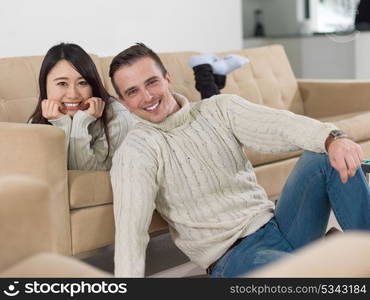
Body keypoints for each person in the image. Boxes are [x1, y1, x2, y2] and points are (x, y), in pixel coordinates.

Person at [108, 43, 370, 278]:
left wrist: (333, 138)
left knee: (323, 153)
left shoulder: (218, 108)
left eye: (152, 82)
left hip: (280, 224)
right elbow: (131, 233)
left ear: (168, 79)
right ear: (124, 102)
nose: (147, 96)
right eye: (133, 91)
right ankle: (326, 257)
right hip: (234, 257)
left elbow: (278, 125)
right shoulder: (135, 151)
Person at [28, 43, 134, 171]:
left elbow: (86, 178)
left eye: (82, 83)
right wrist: (63, 124)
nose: (73, 94)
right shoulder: (39, 121)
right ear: (44, 85)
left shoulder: (117, 118)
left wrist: (80, 123)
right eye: (62, 83)